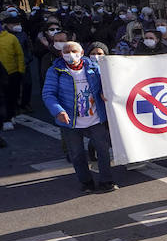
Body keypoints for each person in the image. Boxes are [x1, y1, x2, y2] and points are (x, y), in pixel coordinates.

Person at [41, 41, 116, 194]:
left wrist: (104, 91)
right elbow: (48, 94)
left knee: (103, 151)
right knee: (76, 154)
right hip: (71, 122)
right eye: (66, 52)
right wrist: (58, 111)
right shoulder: (55, 70)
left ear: (81, 53)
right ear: (62, 54)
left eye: (74, 51)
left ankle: (106, 181)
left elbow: (107, 83)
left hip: (95, 119)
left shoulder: (94, 68)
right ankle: (86, 182)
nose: (70, 54)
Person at [0, 16, 24, 128]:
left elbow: (19, 54)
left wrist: (20, 70)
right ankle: (4, 119)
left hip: (12, 72)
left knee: (12, 96)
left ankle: (10, 115)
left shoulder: (11, 38)